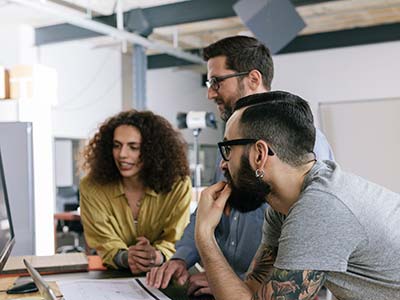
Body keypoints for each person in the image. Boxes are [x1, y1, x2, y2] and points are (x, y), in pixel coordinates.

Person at [147, 36, 334, 296]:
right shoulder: (233, 143)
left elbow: (306, 245)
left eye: (216, 81)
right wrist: (182, 258)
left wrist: (228, 280)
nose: (210, 92)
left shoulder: (303, 145)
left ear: (253, 79)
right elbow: (210, 208)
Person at [194, 91, 400, 300]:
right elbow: (251, 290)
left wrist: (204, 235)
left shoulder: (321, 207)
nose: (223, 163)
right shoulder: (282, 208)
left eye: (228, 148)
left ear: (259, 155)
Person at [80, 110, 192, 274]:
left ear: (152, 151)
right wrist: (126, 258)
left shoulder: (178, 185)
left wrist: (156, 256)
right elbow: (104, 242)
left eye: (133, 147)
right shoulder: (92, 187)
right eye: (116, 146)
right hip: (114, 278)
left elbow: (177, 238)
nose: (122, 155)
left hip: (167, 274)